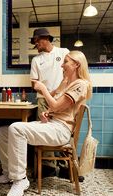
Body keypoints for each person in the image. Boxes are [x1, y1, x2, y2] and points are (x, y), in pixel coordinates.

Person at [0, 50, 92, 196]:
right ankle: (9, 173)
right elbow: (54, 107)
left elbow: (57, 106)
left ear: (76, 64)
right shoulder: (65, 81)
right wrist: (47, 113)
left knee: (16, 128)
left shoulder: (80, 85)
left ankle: (20, 179)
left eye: (65, 62)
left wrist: (43, 89)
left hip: (61, 130)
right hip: (52, 124)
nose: (62, 65)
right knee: (3, 132)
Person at [30, 27, 70, 175]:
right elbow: (34, 84)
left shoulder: (63, 52)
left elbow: (70, 75)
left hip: (63, 98)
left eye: (37, 41)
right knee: (44, 131)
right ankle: (47, 167)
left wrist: (56, 93)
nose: (36, 45)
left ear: (45, 38)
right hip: (43, 101)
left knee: (62, 129)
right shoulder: (36, 60)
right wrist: (47, 94)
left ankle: (65, 167)